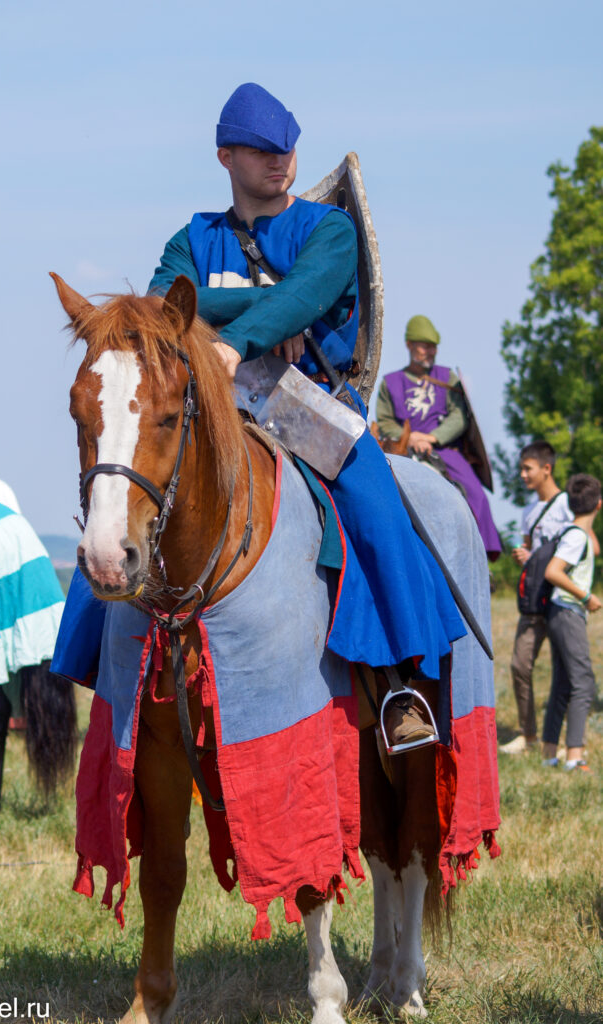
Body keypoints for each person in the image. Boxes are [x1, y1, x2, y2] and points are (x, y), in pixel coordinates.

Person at [145, 82, 465, 746]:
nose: (280, 160)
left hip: (305, 403)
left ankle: (406, 683)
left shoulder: (328, 227)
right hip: (210, 411)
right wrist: (269, 309)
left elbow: (308, 293)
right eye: (262, 150)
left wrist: (226, 326)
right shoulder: (192, 238)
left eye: (287, 147)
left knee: (377, 511)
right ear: (225, 156)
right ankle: (109, 670)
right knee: (124, 501)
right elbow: (156, 314)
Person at [375, 315, 502, 560]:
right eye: (424, 346)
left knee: (477, 495)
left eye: (433, 347)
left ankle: (482, 558)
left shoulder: (448, 378)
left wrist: (432, 438)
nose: (429, 351)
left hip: (442, 450)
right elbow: (385, 421)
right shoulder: (390, 383)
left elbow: (459, 416)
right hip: (403, 451)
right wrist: (410, 438)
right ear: (409, 345)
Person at [501, 441, 573, 753]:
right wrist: (525, 556)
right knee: (520, 666)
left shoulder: (569, 506)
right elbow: (532, 551)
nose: (522, 474)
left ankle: (563, 738)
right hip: (533, 603)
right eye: (521, 468)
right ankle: (528, 735)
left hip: (559, 602)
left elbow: (589, 546)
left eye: (527, 468)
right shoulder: (529, 511)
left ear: (547, 468)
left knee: (565, 670)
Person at [541, 473, 601, 772]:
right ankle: (574, 757)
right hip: (568, 612)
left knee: (563, 684)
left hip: (559, 614)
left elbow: (596, 549)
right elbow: (554, 572)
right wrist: (586, 596)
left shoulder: (577, 533)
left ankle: (549, 754)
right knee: (584, 684)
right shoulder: (576, 536)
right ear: (599, 504)